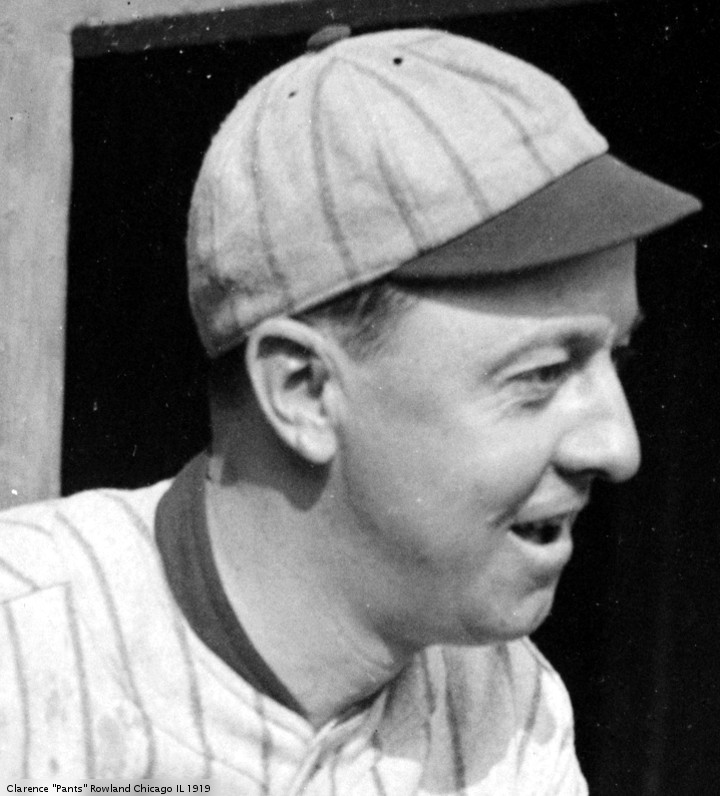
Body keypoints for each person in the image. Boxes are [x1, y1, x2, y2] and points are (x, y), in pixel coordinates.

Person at [0, 26, 700, 792]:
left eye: (616, 356)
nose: (618, 445)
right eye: (540, 373)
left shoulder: (509, 710)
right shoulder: (21, 647)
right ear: (303, 390)